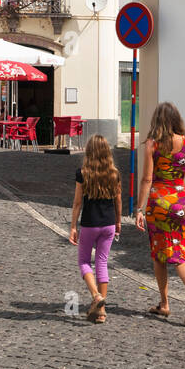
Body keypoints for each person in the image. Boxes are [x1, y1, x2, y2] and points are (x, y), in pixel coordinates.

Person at [135, 101, 185, 325]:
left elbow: (146, 178)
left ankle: (164, 303)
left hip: (158, 205)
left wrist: (139, 208)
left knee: (159, 255)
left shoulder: (153, 144)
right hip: (180, 202)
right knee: (179, 254)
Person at [70, 135, 123, 324]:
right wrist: (118, 222)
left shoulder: (83, 173)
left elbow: (77, 203)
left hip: (90, 223)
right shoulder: (114, 173)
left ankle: (96, 296)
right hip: (108, 224)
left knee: (84, 262)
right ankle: (102, 312)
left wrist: (73, 227)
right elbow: (118, 201)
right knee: (102, 262)